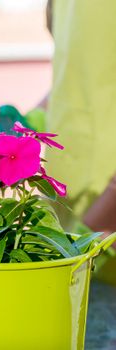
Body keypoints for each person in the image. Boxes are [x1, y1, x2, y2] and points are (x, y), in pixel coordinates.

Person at [42, 0, 116, 234]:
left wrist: (101, 222)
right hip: (64, 210)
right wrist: (28, 121)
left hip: (107, 220)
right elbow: (79, 71)